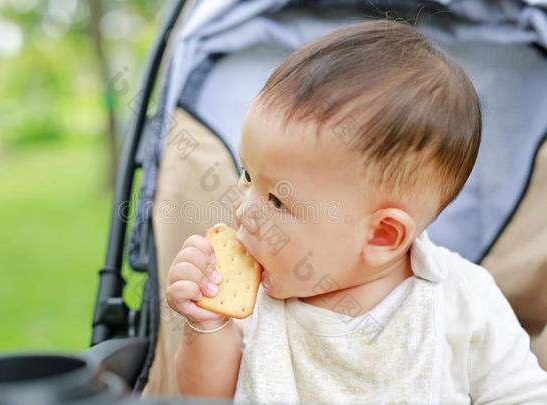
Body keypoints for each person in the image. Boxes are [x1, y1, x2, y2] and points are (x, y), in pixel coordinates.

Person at [165, 19, 547, 404]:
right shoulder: (258, 304)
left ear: (382, 236)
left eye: (277, 201)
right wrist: (208, 325)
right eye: (248, 175)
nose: (244, 210)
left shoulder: (463, 300)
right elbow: (208, 396)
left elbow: (522, 395)